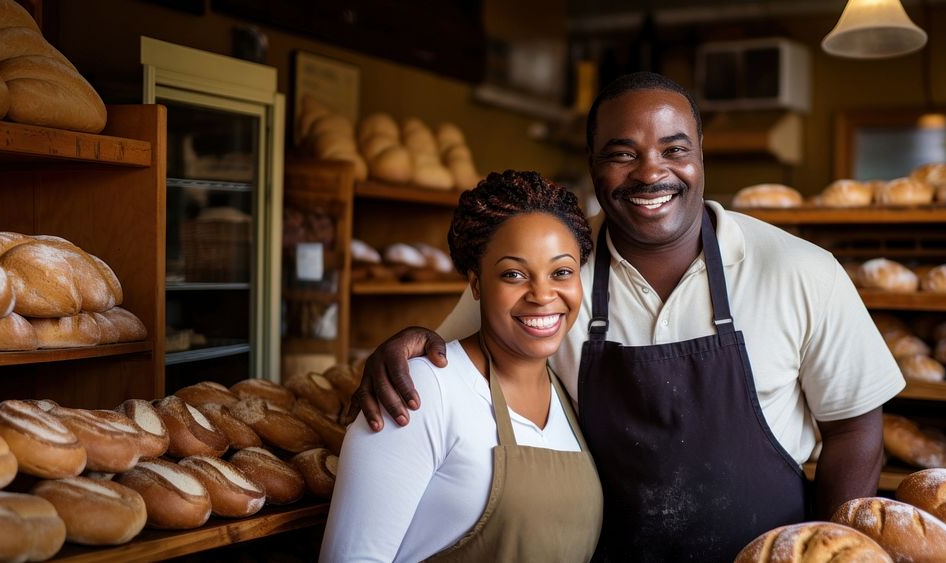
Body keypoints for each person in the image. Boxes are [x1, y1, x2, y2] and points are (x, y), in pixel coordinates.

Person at [352, 72, 906, 562]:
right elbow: (456, 355)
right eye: (622, 154)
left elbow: (856, 428)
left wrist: (835, 551)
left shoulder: (801, 271)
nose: (650, 173)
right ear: (593, 168)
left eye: (674, 149)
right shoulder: (558, 272)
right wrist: (412, 342)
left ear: (700, 158)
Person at [320, 170, 603, 562]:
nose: (542, 294)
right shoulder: (422, 391)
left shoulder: (569, 391)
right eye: (514, 274)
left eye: (561, 272)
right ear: (475, 283)